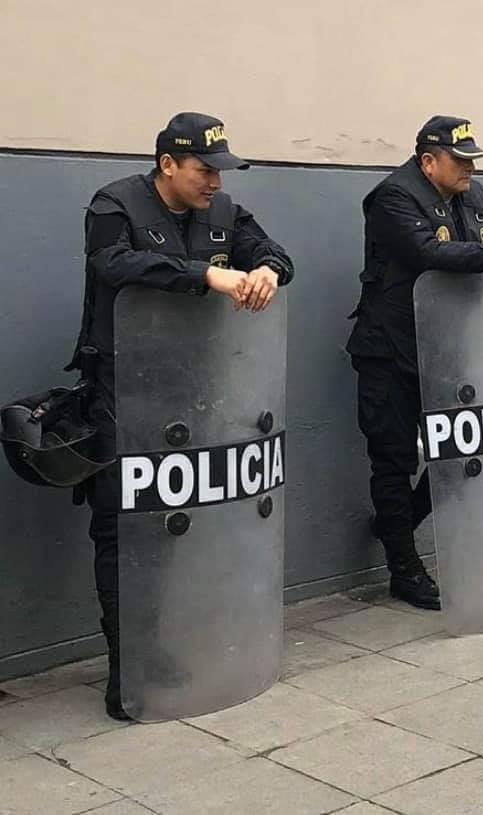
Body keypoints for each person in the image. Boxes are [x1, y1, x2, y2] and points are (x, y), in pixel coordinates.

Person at [65, 112, 294, 719]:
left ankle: (162, 646)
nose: (215, 182)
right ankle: (128, 668)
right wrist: (206, 275)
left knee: (177, 525)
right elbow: (112, 264)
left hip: (197, 392)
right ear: (168, 165)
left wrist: (268, 269)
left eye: (221, 172)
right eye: (204, 170)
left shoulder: (224, 212)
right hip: (123, 388)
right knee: (123, 525)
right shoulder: (115, 204)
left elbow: (271, 250)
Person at [346, 115, 483, 610]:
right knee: (393, 459)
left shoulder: (476, 196)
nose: (469, 170)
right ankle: (403, 567)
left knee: (461, 452)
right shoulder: (393, 197)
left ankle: (398, 523)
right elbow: (427, 253)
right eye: (460, 161)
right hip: (391, 351)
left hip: (451, 351)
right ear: (427, 161)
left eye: (473, 161)